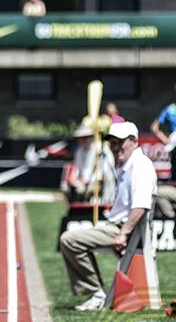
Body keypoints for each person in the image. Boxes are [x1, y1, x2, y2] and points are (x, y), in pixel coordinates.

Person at [59, 121, 157, 311]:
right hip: (120, 226)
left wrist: (124, 233)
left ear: (134, 141)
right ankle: (96, 292)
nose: (115, 147)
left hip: (126, 229)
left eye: (120, 142)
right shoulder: (129, 164)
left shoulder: (141, 166)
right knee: (70, 240)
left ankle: (95, 293)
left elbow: (141, 205)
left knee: (69, 240)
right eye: (112, 142)